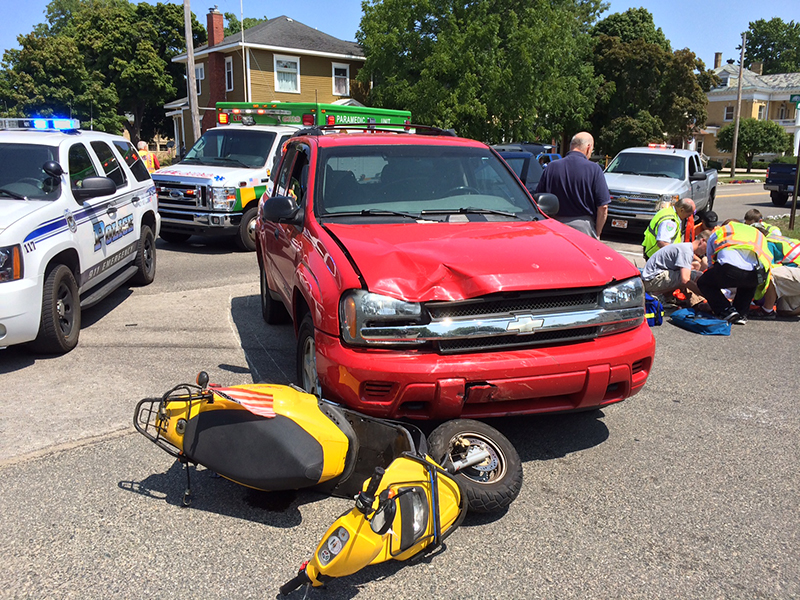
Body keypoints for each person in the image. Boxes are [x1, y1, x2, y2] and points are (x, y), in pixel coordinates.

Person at [534, 132, 609, 239]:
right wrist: (597, 233)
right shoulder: (594, 169)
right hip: (583, 229)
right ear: (588, 148)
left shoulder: (551, 167)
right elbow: (603, 207)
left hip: (555, 227)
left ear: (571, 146)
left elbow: (539, 200)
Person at [697, 222, 773, 325]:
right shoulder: (756, 234)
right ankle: (741, 313)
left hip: (730, 269)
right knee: (747, 283)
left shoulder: (720, 232)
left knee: (704, 282)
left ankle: (725, 310)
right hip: (758, 273)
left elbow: (711, 264)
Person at [641, 231, 710, 298]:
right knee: (696, 276)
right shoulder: (686, 251)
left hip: (651, 279)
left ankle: (662, 295)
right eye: (709, 247)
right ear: (702, 241)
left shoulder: (685, 247)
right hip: (651, 280)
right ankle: (656, 294)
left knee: (691, 271)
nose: (707, 251)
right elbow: (685, 280)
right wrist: (704, 295)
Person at [750, 233, 800, 319]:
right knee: (784, 310)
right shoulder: (778, 240)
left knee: (769, 274)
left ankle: (767, 311)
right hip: (796, 273)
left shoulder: (767, 243)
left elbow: (768, 266)